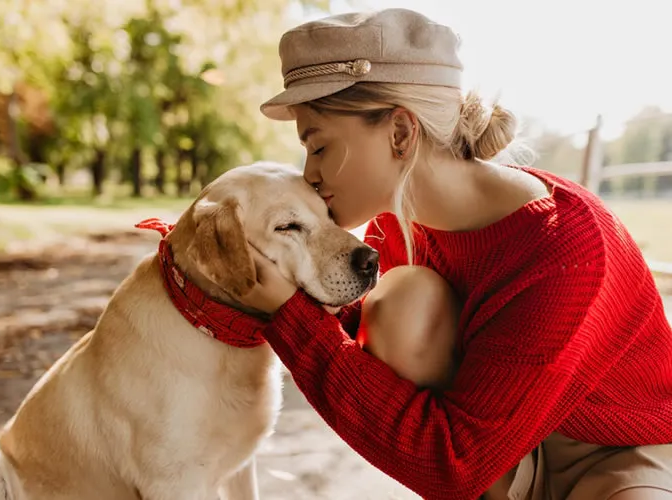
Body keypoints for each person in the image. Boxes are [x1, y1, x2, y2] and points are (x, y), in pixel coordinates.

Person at [197, 8, 672, 499]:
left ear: (400, 134)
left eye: (317, 147)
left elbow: (455, 464)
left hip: (613, 453)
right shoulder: (397, 225)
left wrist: (288, 315)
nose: (309, 174)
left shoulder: (568, 248)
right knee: (403, 300)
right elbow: (341, 341)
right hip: (503, 457)